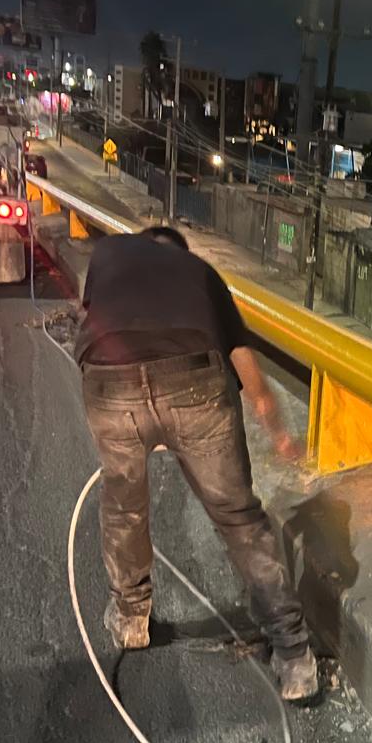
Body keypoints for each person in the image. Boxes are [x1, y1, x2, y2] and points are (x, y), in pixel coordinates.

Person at [74, 225, 318, 702]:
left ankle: (130, 620)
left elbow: (100, 319)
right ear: (180, 253)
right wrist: (281, 436)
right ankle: (294, 658)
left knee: (124, 505)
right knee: (238, 517)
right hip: (194, 382)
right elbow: (245, 366)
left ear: (145, 241)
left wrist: (146, 416)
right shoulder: (202, 273)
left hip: (109, 379)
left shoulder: (109, 252)